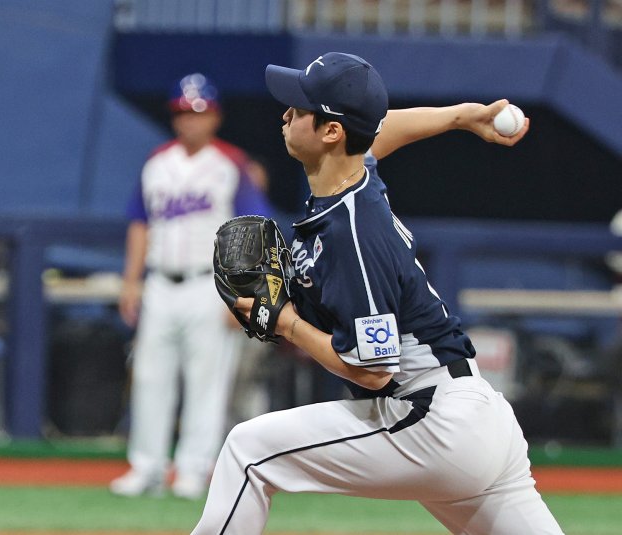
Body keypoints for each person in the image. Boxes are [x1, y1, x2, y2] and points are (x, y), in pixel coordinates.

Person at [191, 53, 563, 534]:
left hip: (431, 420)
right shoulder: (352, 179)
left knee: (248, 451)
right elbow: (378, 132)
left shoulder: (352, 233)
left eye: (300, 108)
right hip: (479, 419)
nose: (286, 114)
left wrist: (284, 322)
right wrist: (460, 116)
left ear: (330, 133)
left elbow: (372, 370)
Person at [111, 74, 271, 499]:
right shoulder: (157, 161)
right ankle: (146, 467)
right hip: (160, 281)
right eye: (182, 112)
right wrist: (131, 281)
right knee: (149, 376)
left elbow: (251, 230)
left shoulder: (231, 163)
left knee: (207, 380)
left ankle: (193, 470)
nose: (189, 121)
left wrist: (243, 291)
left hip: (209, 283)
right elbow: (140, 223)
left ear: (214, 116)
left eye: (197, 113)